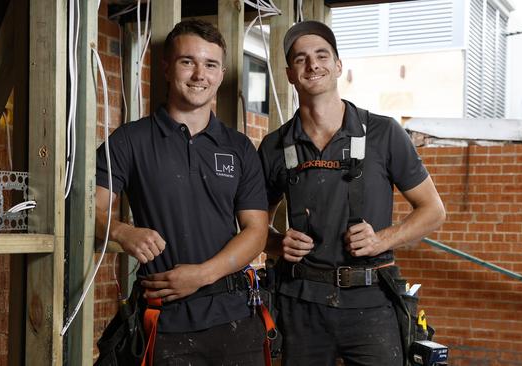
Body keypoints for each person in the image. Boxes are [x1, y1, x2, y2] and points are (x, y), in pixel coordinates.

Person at [258, 21, 446, 365]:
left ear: (339, 65)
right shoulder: (274, 147)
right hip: (300, 306)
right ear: (289, 74)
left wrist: (381, 239)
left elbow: (432, 210)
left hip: (371, 304)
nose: (312, 65)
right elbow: (255, 226)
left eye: (321, 55)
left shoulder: (384, 133)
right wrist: (276, 242)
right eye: (301, 59)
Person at [94, 19, 269, 365]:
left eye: (210, 64)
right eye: (187, 61)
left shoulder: (239, 148)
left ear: (220, 74)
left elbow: (256, 231)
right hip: (166, 322)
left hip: (236, 318)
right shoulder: (129, 141)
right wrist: (121, 230)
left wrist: (201, 275)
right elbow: (87, 209)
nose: (199, 74)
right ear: (166, 68)